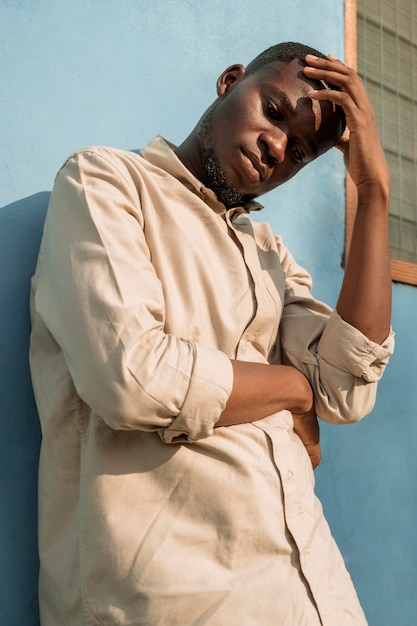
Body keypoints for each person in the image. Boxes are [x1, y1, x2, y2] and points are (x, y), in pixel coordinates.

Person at [30, 41, 394, 626]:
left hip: (313, 591)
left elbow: (347, 387)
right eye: (274, 111)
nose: (278, 146)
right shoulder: (108, 182)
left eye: (299, 152)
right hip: (179, 599)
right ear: (229, 81)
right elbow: (135, 379)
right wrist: (292, 390)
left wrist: (374, 193)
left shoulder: (269, 253)